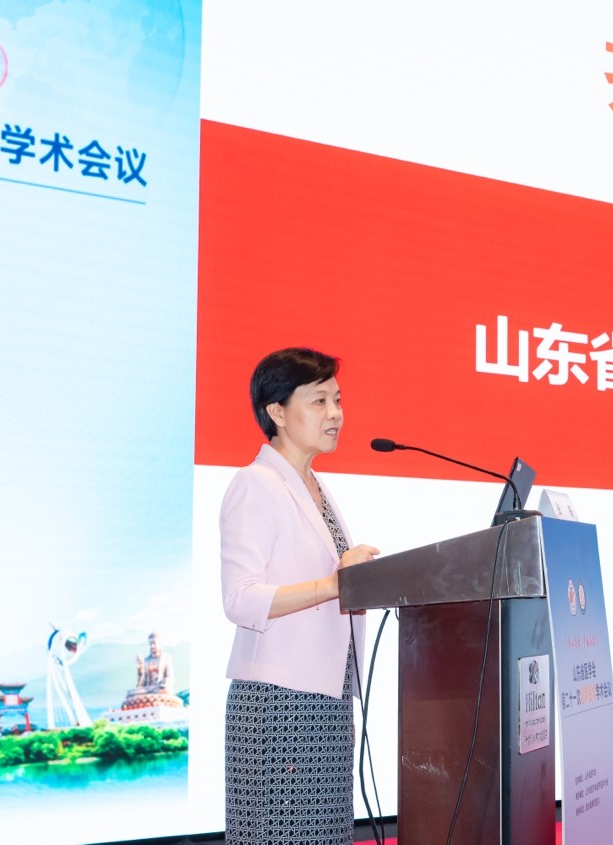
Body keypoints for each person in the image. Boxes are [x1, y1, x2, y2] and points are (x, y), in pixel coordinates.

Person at [220, 347, 379, 844]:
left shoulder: (314, 486)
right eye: (319, 401)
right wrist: (335, 584)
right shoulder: (255, 484)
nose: (335, 414)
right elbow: (240, 599)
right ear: (278, 412)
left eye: (338, 400)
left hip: (327, 697)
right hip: (278, 706)